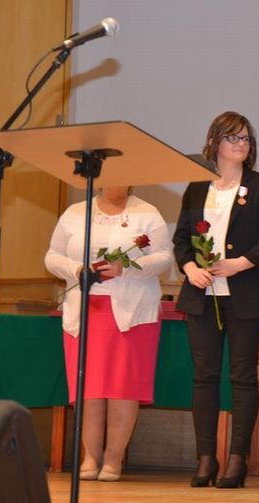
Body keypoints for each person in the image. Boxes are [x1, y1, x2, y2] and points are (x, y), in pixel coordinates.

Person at [173, 111, 259, 489]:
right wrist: (190, 268)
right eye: (233, 137)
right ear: (214, 142)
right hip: (201, 294)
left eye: (246, 139)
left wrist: (240, 263)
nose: (241, 144)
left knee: (242, 377)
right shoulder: (196, 186)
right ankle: (206, 458)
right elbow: (181, 239)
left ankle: (238, 459)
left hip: (245, 293)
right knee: (204, 377)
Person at [45, 185, 173, 481]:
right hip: (85, 310)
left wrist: (125, 268)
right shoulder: (76, 212)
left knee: (123, 387)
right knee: (88, 387)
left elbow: (165, 258)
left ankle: (114, 459)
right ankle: (91, 457)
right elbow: (52, 256)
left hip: (132, 311)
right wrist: (77, 269)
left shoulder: (147, 213)